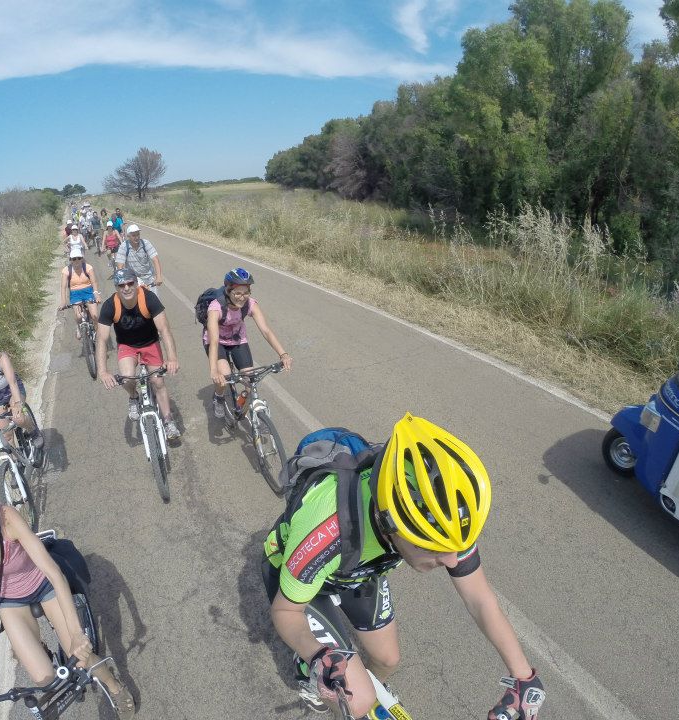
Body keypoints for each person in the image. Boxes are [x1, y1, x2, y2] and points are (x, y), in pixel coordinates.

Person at [262, 414, 546, 719]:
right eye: (435, 550)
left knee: (387, 659)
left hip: (359, 569)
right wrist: (317, 655)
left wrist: (524, 677)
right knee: (356, 701)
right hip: (302, 574)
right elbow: (285, 612)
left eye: (455, 549)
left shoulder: (442, 521)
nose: (451, 561)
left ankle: (366, 693)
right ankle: (322, 681)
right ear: (389, 526)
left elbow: (479, 598)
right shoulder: (328, 528)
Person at [0, 473, 135, 719]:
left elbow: (53, 573)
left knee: (80, 655)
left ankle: (114, 686)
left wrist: (77, 633)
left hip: (43, 584)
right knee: (43, 678)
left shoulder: (5, 518)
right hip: (8, 600)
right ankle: (39, 647)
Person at [96, 267, 181, 440]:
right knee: (127, 378)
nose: (126, 288)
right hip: (127, 346)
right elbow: (102, 340)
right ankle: (134, 397)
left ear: (136, 283)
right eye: (121, 285)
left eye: (130, 283)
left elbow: (164, 330)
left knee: (157, 381)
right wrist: (103, 371)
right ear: (116, 287)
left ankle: (168, 420)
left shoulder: (149, 298)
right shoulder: (110, 305)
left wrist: (172, 358)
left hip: (150, 343)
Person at [205, 267, 292, 419]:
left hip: (238, 340)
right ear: (228, 291)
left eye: (246, 292)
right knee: (224, 376)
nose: (242, 297)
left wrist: (283, 354)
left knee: (251, 379)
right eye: (237, 293)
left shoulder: (250, 304)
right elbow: (213, 340)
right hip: (217, 342)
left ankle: (245, 402)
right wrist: (214, 370)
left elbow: (266, 331)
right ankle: (218, 397)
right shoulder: (216, 307)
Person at [60, 248, 102, 336]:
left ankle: (97, 335)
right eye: (74, 259)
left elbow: (94, 282)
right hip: (75, 294)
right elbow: (63, 287)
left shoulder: (88, 267)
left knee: (94, 315)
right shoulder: (66, 270)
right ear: (70, 260)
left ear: (82, 258)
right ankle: (78, 327)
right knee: (79, 317)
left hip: (88, 291)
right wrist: (63, 302)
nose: (76, 260)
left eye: (78, 258)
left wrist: (96, 294)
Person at [115, 224, 163, 295]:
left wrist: (158, 276)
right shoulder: (124, 246)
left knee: (155, 301)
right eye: (133, 235)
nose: (136, 237)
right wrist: (123, 282)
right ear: (128, 236)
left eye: (138, 235)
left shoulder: (145, 243)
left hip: (149, 278)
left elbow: (155, 259)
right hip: (134, 279)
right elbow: (120, 266)